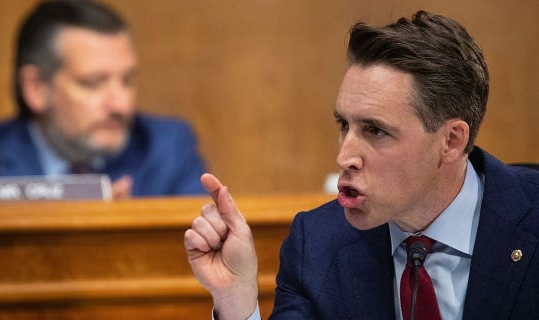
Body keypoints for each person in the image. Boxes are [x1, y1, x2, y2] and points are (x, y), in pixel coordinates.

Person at [185, 11, 539, 319]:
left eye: (375, 130)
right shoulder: (317, 245)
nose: (344, 157)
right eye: (344, 125)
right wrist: (236, 300)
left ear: (451, 141)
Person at [0, 0, 206, 203]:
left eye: (127, 81)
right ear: (36, 88)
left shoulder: (165, 149)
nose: (121, 105)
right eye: (93, 83)